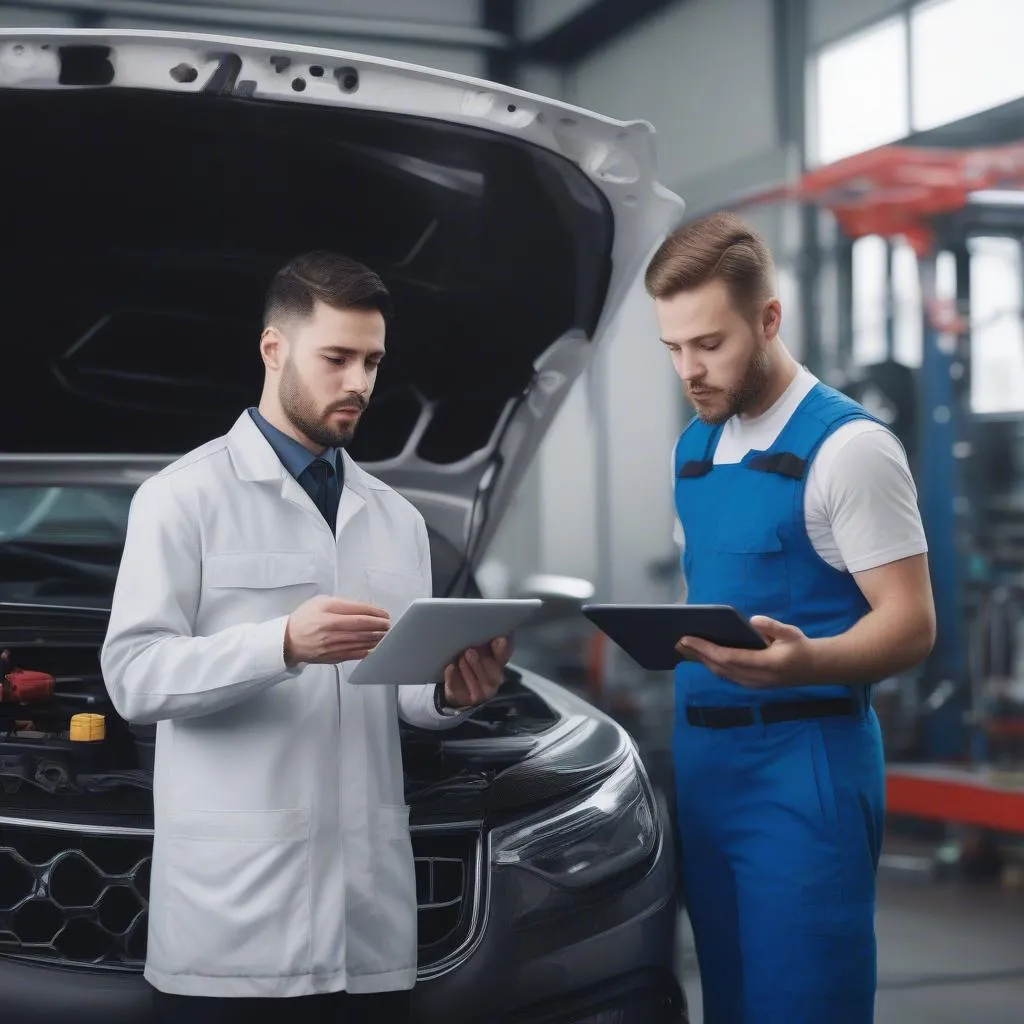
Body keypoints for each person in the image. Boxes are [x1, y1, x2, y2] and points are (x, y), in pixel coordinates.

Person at [101, 251, 512, 1024]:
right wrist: (281, 644)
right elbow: (133, 678)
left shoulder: (393, 517)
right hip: (232, 935)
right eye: (338, 358)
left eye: (373, 361)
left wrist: (451, 694)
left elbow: (401, 694)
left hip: (371, 928)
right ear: (273, 349)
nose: (360, 382)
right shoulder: (181, 499)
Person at [645, 213, 936, 1024]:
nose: (689, 370)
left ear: (769, 319)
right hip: (704, 773)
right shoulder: (694, 450)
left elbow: (912, 625)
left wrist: (807, 662)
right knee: (729, 1005)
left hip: (804, 772)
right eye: (672, 348)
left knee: (805, 1006)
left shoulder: (852, 449)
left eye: (709, 343)